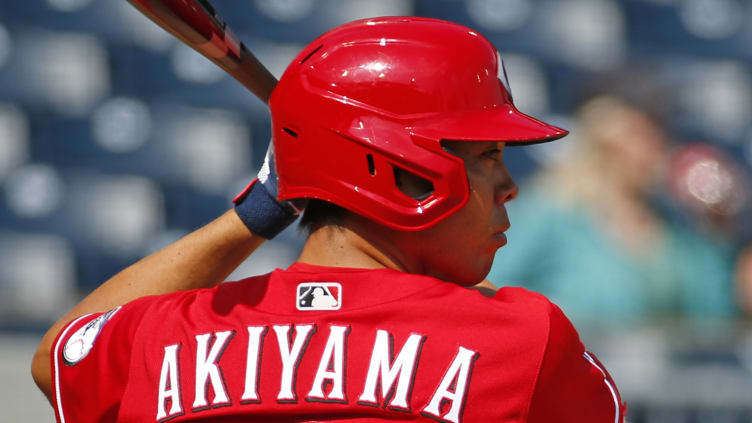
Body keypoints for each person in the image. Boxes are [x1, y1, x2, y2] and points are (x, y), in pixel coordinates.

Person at [31, 17, 625, 422]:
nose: (509, 187)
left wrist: (260, 208)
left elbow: (59, 358)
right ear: (404, 173)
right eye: (488, 156)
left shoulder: (165, 336)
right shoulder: (522, 340)